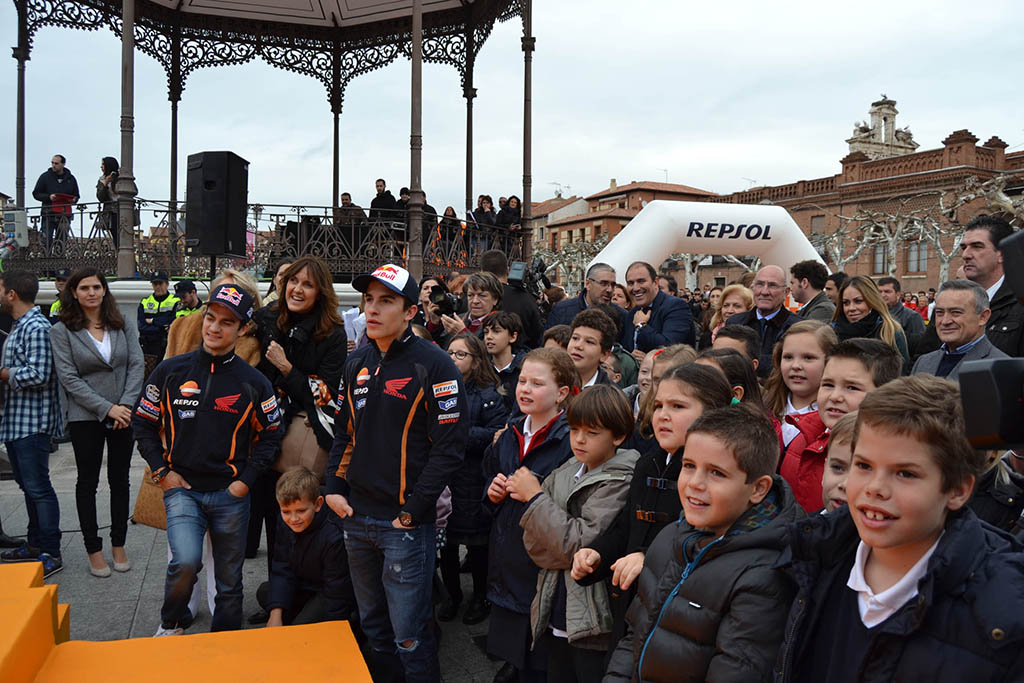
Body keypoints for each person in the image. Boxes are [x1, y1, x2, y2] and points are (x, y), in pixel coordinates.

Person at [775, 375, 1024, 682]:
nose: (875, 488)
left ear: (958, 490)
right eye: (863, 465)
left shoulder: (1003, 616)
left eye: (905, 473)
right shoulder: (812, 555)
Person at [324, 263, 466, 682]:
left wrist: (412, 511)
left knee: (410, 635)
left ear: (409, 312)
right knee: (374, 629)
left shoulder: (436, 366)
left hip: (403, 525)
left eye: (386, 301)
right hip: (356, 519)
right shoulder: (357, 363)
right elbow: (344, 434)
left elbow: (449, 450)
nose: (372, 309)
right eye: (368, 300)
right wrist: (333, 488)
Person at [605, 403, 803, 681]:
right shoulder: (670, 537)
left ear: (758, 489)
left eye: (716, 473)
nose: (695, 483)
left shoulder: (764, 575)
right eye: (689, 466)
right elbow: (633, 638)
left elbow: (736, 670)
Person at [133, 284, 283, 635]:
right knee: (184, 561)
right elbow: (143, 422)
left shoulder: (254, 382)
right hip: (181, 488)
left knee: (229, 577)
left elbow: (271, 435)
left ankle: (226, 637)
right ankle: (172, 623)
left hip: (230, 494)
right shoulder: (170, 371)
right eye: (210, 318)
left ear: (242, 328)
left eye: (226, 322)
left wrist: (245, 480)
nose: (215, 328)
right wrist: (162, 472)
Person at [572, 364, 733, 662]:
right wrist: (596, 554)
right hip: (633, 608)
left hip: (679, 618)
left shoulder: (719, 476)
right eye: (658, 405)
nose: (663, 415)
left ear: (712, 413)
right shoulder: (648, 464)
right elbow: (626, 527)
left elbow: (704, 540)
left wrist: (647, 556)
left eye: (677, 406)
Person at [517, 385, 640, 681]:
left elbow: (578, 543)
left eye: (592, 432)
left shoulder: (621, 480)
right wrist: (555, 535)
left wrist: (535, 500)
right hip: (556, 598)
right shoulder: (569, 468)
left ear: (618, 437)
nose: (580, 439)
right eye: (574, 430)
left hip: (592, 611)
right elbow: (533, 543)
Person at [251, 256, 347, 602]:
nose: (298, 289)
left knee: (304, 521)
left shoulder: (332, 333)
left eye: (307, 284)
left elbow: (326, 393)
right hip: (263, 438)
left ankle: (312, 597)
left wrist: (287, 368)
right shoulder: (264, 320)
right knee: (272, 523)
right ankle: (280, 599)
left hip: (303, 442)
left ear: (320, 292)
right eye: (294, 281)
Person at [483, 347, 578, 683]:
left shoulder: (570, 440)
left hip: (542, 566)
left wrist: (534, 493)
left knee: (541, 660)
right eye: (522, 380)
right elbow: (490, 478)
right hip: (508, 557)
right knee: (514, 648)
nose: (524, 388)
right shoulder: (509, 434)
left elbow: (574, 508)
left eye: (537, 383)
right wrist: (492, 493)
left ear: (562, 393)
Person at [50, 268, 144, 578]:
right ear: (74, 293)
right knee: (87, 482)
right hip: (86, 417)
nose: (91, 292)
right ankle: (93, 549)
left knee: (120, 480)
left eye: (96, 287)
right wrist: (107, 409)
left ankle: (119, 544)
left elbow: (136, 364)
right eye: (84, 287)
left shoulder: (122, 324)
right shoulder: (61, 331)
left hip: (125, 413)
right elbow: (69, 379)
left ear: (105, 291)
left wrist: (126, 406)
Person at [780, 338, 901, 513]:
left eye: (851, 388)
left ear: (886, 394)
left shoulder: (891, 455)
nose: (835, 396)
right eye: (828, 385)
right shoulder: (800, 436)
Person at [438, 333, 508, 625]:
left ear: (476, 360)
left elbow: (496, 435)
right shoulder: (440, 390)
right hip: (446, 479)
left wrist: (456, 436)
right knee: (448, 545)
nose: (453, 359)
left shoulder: (488, 396)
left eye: (461, 354)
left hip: (474, 478)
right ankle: (452, 596)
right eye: (450, 353)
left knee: (478, 546)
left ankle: (480, 597)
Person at [0, 271, 64, 578]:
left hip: (32, 423)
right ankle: (35, 545)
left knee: (39, 489)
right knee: (28, 487)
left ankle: (51, 551)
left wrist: (3, 374)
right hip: (16, 422)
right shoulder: (19, 326)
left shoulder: (37, 326)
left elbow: (40, 374)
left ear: (12, 293)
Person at [257, 466, 356, 627]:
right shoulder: (284, 522)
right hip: (305, 585)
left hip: (328, 592)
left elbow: (337, 591)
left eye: (301, 511)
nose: (293, 518)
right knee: (265, 593)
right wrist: (275, 614)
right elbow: (281, 567)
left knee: (300, 628)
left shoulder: (333, 535)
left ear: (318, 504)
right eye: (286, 511)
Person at [911, 279, 1007, 379]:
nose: (945, 321)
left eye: (956, 312)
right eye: (939, 312)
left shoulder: (1002, 369)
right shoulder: (923, 362)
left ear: (983, 317)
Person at [763, 321, 838, 449]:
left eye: (808, 358)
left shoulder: (834, 420)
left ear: (829, 361)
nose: (796, 366)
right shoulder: (764, 409)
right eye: (788, 357)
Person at [165, 269, 262, 366]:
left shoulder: (252, 348)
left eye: (232, 295)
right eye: (220, 291)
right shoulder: (180, 327)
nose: (223, 297)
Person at [959, 214, 1024, 357]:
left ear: (1002, 254)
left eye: (977, 246)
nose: (966, 255)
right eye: (964, 247)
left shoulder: (1019, 303)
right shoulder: (951, 299)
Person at [726, 265, 801, 378]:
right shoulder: (734, 323)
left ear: (786, 292)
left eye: (772, 286)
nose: (764, 291)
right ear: (753, 288)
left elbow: (786, 367)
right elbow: (727, 362)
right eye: (760, 284)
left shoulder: (797, 328)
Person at [832, 275, 910, 370]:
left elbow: (901, 375)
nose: (851, 308)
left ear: (872, 300)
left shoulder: (890, 333)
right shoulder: (832, 333)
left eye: (858, 301)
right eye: (846, 303)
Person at [545, 263, 630, 347]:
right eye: (603, 283)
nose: (609, 289)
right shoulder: (562, 310)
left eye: (613, 285)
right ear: (588, 284)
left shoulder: (622, 315)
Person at [626, 261, 695, 358]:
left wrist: (641, 326)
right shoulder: (633, 313)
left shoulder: (676, 306)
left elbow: (670, 348)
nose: (635, 288)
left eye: (641, 281)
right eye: (630, 283)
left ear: (655, 282)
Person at [481, 250, 544, 348]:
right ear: (507, 270)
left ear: (481, 272)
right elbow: (537, 335)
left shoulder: (470, 299)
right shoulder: (526, 299)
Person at [32, 154, 80, 248]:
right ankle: (46, 259)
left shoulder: (71, 178)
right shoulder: (45, 177)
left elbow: (76, 195)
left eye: (56, 163)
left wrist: (74, 199)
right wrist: (49, 197)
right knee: (46, 239)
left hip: (64, 213)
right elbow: (36, 193)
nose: (53, 165)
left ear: (63, 164)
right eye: (52, 163)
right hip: (48, 212)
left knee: (62, 239)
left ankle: (60, 260)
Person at [483, 310, 526, 413]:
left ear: (513, 337)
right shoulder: (481, 369)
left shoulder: (525, 369)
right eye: (486, 332)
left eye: (496, 331)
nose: (489, 336)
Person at [138, 270, 180, 368]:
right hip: (148, 347)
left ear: (167, 284)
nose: (157, 287)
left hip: (167, 345)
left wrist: (153, 321)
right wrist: (161, 327)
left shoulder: (175, 301)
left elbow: (174, 323)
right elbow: (141, 327)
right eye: (155, 284)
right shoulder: (145, 302)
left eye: (160, 283)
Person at [443, 270, 502, 338]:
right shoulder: (457, 319)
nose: (475, 301)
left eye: (482, 296)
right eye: (470, 295)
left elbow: (487, 347)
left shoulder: (500, 325)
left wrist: (462, 332)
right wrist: (434, 322)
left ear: (495, 299)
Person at [568, 309, 619, 387]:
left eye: (589, 342)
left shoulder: (611, 396)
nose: (578, 346)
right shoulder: (549, 381)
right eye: (575, 338)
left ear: (604, 355)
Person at [876, 276, 925, 354]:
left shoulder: (912, 316)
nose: (882, 295)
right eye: (879, 292)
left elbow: (920, 345)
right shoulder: (874, 315)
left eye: (887, 291)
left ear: (898, 295)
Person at [819, 412, 855, 514]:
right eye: (837, 468)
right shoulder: (802, 527)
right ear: (825, 468)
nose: (845, 485)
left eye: (860, 474)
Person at [700, 283, 753, 348]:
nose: (729, 311)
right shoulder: (708, 338)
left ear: (748, 309)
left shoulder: (754, 337)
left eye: (737, 306)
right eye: (726, 305)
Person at [95, 156, 120, 247]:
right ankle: (119, 254)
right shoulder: (102, 180)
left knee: (124, 235)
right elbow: (101, 198)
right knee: (115, 234)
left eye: (103, 164)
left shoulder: (122, 177)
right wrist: (105, 184)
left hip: (123, 209)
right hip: (111, 211)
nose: (101, 166)